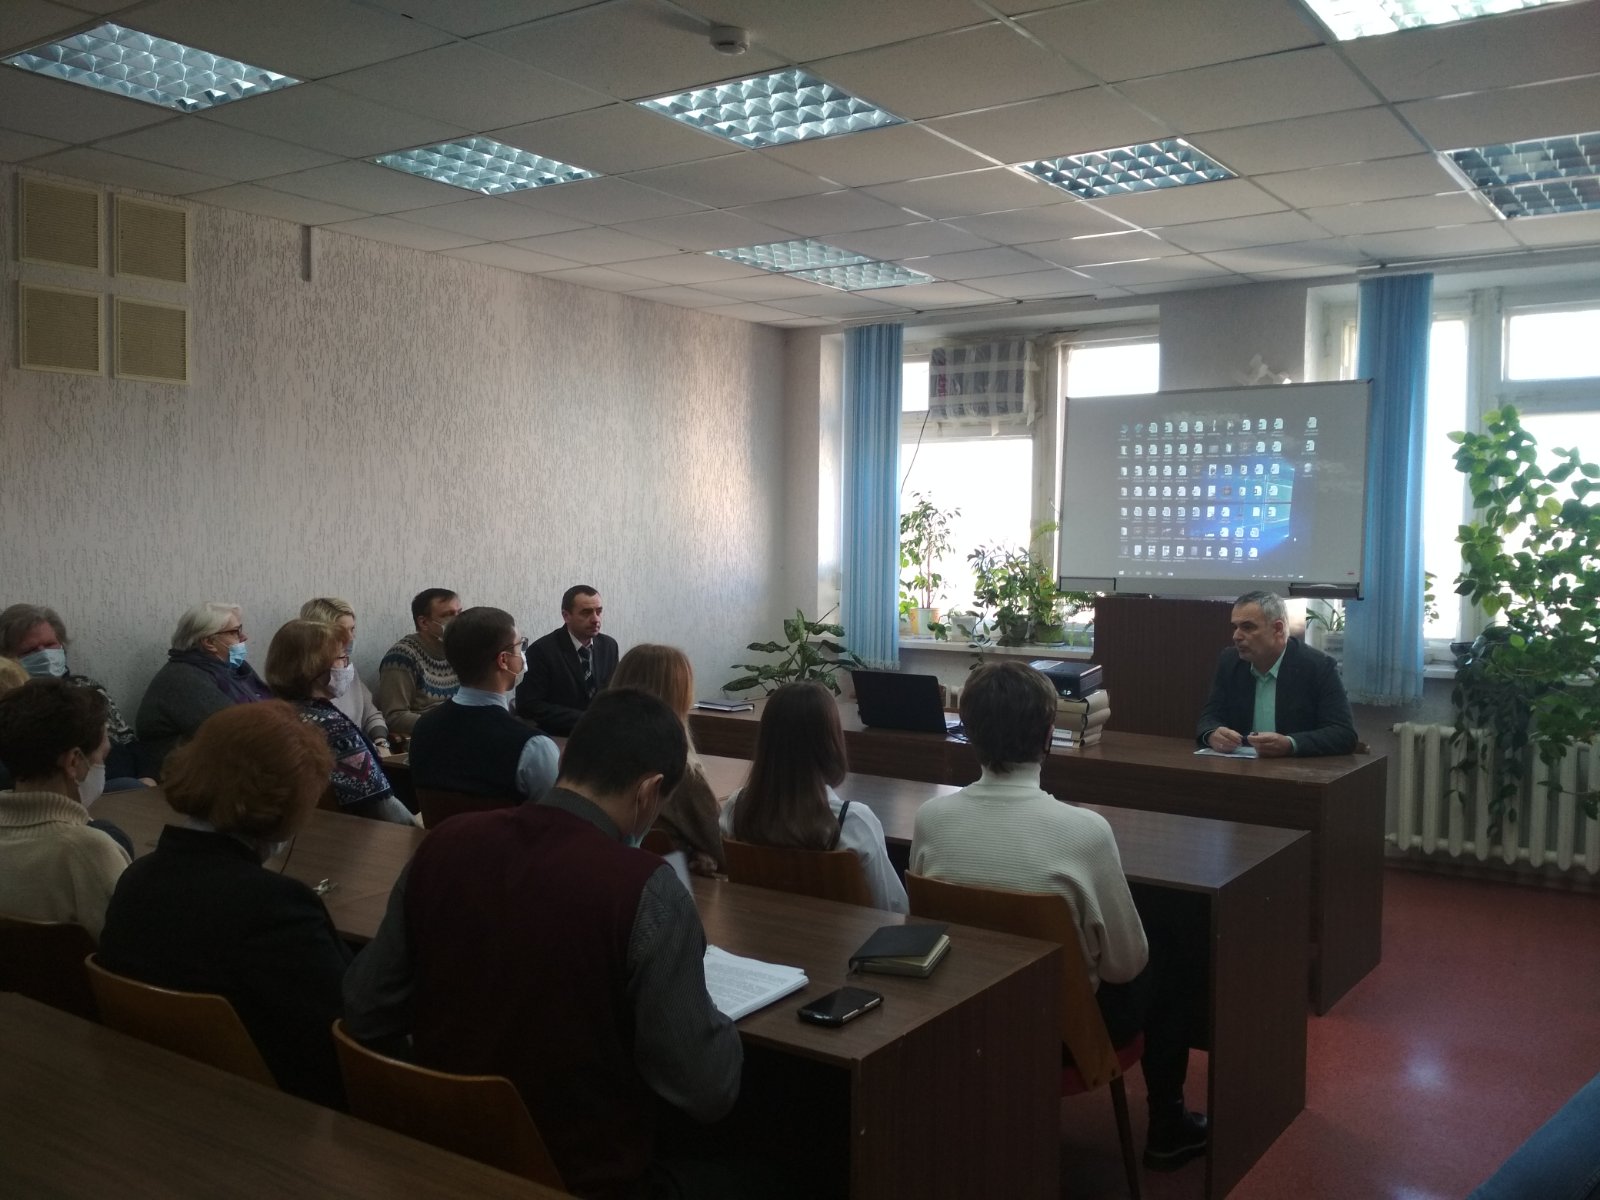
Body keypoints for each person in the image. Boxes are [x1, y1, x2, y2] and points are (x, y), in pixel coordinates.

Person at [344, 688, 743, 1198]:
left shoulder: (444, 843)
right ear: (650, 790)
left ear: (567, 759)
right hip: (586, 1178)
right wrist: (715, 1021)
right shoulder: (648, 889)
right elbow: (706, 1091)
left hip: (440, 1158)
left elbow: (365, 1008)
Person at [910, 660, 1207, 1171]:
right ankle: (1168, 1127)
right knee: (1171, 956)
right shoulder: (1084, 832)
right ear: (1050, 734)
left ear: (969, 732)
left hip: (963, 1018)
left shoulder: (931, 819)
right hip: (1063, 1036)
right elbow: (1125, 965)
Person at [97, 702, 350, 1108]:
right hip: (274, 1111)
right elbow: (346, 1029)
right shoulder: (278, 908)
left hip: (150, 1094)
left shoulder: (135, 878)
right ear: (290, 802)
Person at [719, 681, 907, 914]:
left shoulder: (736, 809)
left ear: (766, 740)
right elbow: (894, 909)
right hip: (842, 937)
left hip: (755, 933)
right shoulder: (854, 822)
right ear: (830, 743)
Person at [0, 679, 129, 939]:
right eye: (102, 757)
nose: (102, 766)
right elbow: (134, 946)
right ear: (73, 762)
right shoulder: (87, 852)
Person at [266, 620, 412, 825]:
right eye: (342, 658)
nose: (347, 665)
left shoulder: (271, 714)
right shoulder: (334, 730)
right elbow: (382, 807)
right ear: (314, 667)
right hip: (353, 834)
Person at [408, 606, 557, 805]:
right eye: (519, 646)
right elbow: (556, 818)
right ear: (503, 660)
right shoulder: (535, 747)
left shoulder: (422, 728)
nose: (522, 654)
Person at [0, 603, 152, 785]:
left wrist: (148, 776)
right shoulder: (13, 705)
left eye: (50, 644)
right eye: (30, 650)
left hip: (131, 786)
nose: (44, 654)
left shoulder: (87, 687)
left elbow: (128, 739)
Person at [1196, 589, 1357, 757]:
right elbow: (1210, 716)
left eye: (1247, 627)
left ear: (1278, 629)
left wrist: (1290, 744)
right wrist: (1211, 734)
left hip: (1297, 769)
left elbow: (1343, 733)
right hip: (1241, 767)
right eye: (1235, 627)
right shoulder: (1230, 662)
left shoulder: (1318, 666)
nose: (1236, 636)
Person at [610, 643, 724, 875]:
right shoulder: (680, 775)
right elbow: (726, 854)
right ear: (679, 698)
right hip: (665, 886)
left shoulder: (598, 762)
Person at [135, 602, 272, 774]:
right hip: (186, 772)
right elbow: (233, 731)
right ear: (209, 642)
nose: (244, 637)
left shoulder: (234, 668)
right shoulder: (183, 677)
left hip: (228, 762)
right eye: (235, 632)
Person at [515, 585, 618, 735]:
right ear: (566, 616)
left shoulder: (609, 646)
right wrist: (586, 719)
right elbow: (528, 705)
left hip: (602, 733)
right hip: (560, 735)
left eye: (599, 611)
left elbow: (613, 691)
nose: (595, 619)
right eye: (586, 612)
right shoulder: (542, 651)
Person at [299, 597, 391, 756]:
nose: (350, 638)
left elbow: (371, 715)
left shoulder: (346, 669)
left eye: (352, 629)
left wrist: (381, 742)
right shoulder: (300, 682)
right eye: (341, 632)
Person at [376, 588, 460, 738]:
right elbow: (395, 717)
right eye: (448, 615)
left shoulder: (460, 649)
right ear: (424, 622)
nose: (458, 621)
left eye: (459, 613)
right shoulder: (402, 657)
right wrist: (448, 725)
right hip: (429, 737)